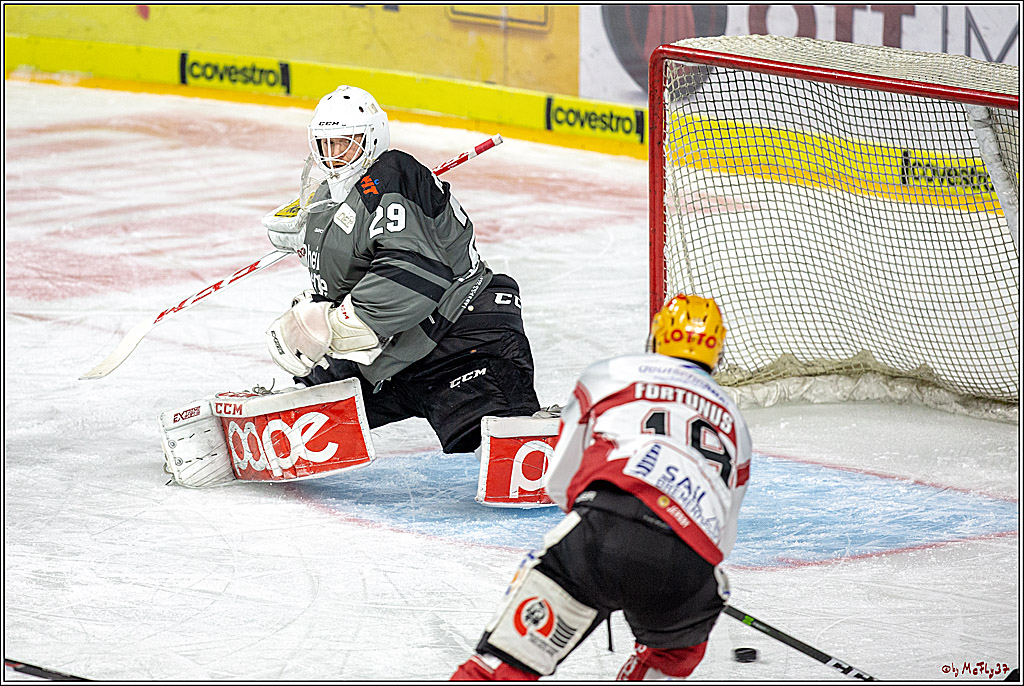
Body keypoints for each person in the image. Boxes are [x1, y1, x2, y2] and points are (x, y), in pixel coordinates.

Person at [451, 294, 752, 680]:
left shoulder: (612, 373)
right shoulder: (734, 420)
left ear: (656, 339)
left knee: (503, 668)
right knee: (669, 657)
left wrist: (608, 540)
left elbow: (560, 478)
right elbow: (722, 537)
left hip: (606, 530)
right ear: (717, 354)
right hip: (690, 568)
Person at [263, 85, 540, 454]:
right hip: (392, 353)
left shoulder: (393, 175)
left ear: (373, 139)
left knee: (506, 441)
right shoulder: (328, 199)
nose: (334, 156)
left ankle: (550, 437)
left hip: (460, 340)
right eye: (325, 144)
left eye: (345, 143)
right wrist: (314, 250)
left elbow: (414, 271)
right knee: (305, 412)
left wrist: (334, 323)